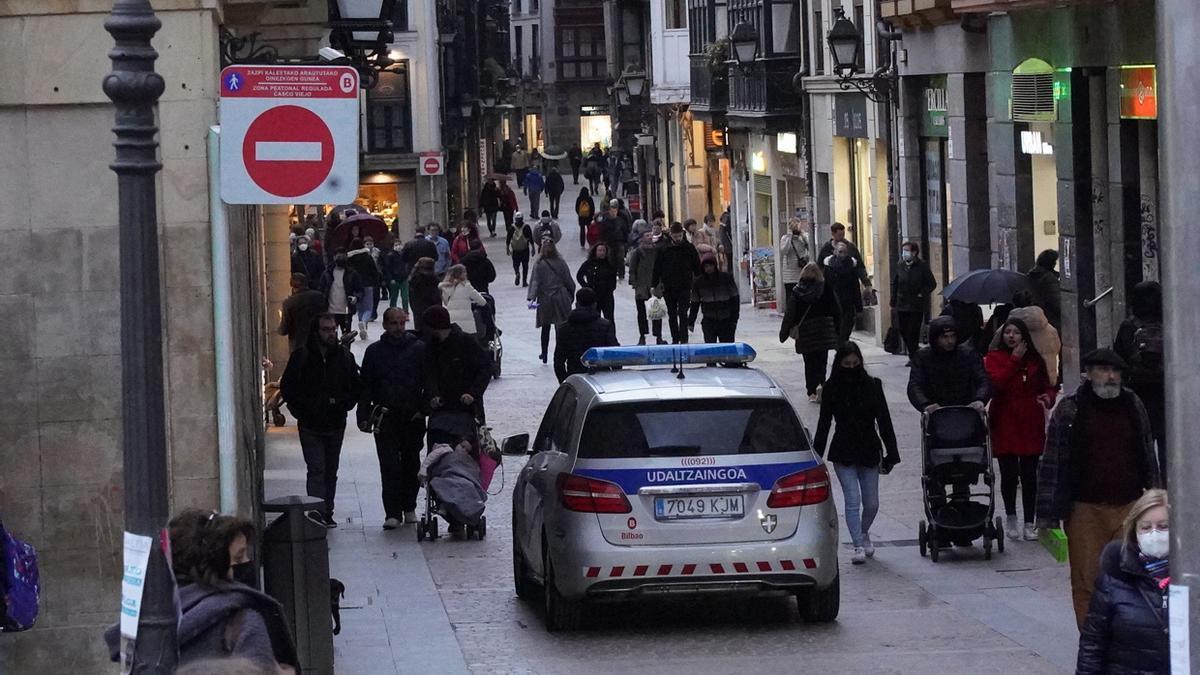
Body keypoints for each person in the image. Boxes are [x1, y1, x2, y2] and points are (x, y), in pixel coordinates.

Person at [1036, 348, 1160, 628]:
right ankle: (1092, 639)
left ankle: (1123, 637)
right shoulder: (1070, 409)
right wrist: (1045, 516)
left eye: (1116, 371)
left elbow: (1146, 451)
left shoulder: (1132, 404)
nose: (1111, 376)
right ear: (1089, 374)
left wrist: (1155, 499)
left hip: (1129, 505)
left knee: (1130, 575)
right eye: (1104, 370)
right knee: (1087, 579)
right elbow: (1052, 461)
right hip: (1084, 508)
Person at [104, 510, 299, 671]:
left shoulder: (139, 632)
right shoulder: (243, 622)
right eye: (238, 559)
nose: (247, 565)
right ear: (213, 567)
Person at [813, 342, 900, 565]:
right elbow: (824, 424)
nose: (851, 368)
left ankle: (862, 532)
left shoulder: (872, 385)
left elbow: (884, 420)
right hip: (843, 450)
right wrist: (816, 455)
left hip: (869, 448)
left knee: (871, 503)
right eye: (846, 364)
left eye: (855, 363)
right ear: (839, 364)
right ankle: (858, 544)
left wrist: (892, 453)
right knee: (853, 500)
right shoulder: (832, 387)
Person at [280, 314, 362, 527]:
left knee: (330, 470)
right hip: (310, 424)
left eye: (333, 329)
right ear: (316, 332)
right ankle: (317, 511)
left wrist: (344, 404)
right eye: (326, 329)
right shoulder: (302, 357)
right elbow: (289, 386)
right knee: (316, 468)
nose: (331, 334)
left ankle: (327, 510)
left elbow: (355, 385)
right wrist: (301, 409)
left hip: (335, 423)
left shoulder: (344, 357)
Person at [1076, 489, 1170, 674]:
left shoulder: (1191, 577)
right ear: (1135, 531)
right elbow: (1093, 645)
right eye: (1146, 527)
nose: (1154, 533)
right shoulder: (1114, 575)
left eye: (1163, 526)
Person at [984, 318, 1056, 541]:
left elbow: (1050, 386)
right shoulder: (994, 359)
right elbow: (996, 384)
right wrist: (1014, 360)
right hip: (1005, 421)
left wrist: (1049, 398)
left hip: (1030, 421)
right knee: (1008, 474)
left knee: (1029, 475)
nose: (1011, 336)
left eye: (1016, 332)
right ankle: (1011, 517)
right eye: (1008, 332)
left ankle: (1029, 522)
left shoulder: (1036, 360)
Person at [357, 308, 427, 529]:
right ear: (386, 325)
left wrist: (423, 409)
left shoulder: (418, 349)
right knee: (389, 465)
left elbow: (428, 381)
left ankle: (409, 506)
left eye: (401, 323)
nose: (398, 328)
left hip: (412, 416)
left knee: (411, 463)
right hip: (385, 416)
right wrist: (364, 414)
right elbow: (366, 385)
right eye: (394, 323)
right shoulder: (374, 352)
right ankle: (392, 512)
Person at [1113, 281, 1165, 473]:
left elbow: (1119, 359)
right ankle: (1171, 489)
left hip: (1138, 393)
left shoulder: (1129, 326)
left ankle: (1149, 486)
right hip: (1165, 392)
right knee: (1168, 443)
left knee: (1143, 443)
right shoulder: (1170, 322)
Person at [779, 263, 842, 401]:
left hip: (806, 333)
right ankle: (821, 384)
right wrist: (837, 330)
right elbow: (836, 310)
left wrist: (783, 333)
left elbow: (790, 313)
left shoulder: (797, 291)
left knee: (809, 362)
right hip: (823, 330)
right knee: (822, 361)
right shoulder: (826, 289)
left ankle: (811, 391)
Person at [906, 315, 991, 414]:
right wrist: (925, 404)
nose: (950, 341)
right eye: (944, 337)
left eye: (952, 336)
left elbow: (983, 380)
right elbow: (915, 385)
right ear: (935, 339)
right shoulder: (923, 357)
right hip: (936, 412)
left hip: (967, 409)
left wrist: (979, 399)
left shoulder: (968, 354)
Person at [422, 305, 491, 423]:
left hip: (468, 408)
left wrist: (473, 393)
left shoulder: (466, 342)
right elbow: (429, 375)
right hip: (442, 410)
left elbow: (485, 368)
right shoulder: (430, 347)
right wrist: (433, 395)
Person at [553, 288, 619, 382]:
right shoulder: (605, 326)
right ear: (595, 305)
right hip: (602, 378)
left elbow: (558, 361)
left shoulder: (564, 328)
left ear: (577, 304)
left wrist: (565, 382)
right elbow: (615, 354)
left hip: (576, 377)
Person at [527, 240, 576, 363]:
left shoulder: (539, 264)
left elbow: (535, 282)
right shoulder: (560, 262)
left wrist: (531, 298)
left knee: (545, 327)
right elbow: (568, 280)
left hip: (545, 299)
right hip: (560, 296)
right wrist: (571, 295)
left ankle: (544, 353)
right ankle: (561, 352)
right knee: (560, 327)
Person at [653, 222, 702, 344]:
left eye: (679, 236)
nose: (678, 238)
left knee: (683, 312)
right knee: (672, 313)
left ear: (682, 234)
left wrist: (699, 281)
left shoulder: (689, 248)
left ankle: (684, 339)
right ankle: (675, 338)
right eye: (675, 236)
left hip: (685, 285)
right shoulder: (663, 248)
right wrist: (654, 284)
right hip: (669, 286)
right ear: (671, 235)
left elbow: (697, 266)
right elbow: (657, 267)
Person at [891, 241, 937, 361]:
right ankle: (914, 352)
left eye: (907, 250)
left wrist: (922, 293)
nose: (905, 253)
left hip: (916, 304)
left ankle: (913, 356)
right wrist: (893, 301)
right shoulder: (900, 265)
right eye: (904, 250)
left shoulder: (922, 266)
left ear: (914, 252)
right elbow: (895, 283)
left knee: (913, 331)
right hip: (902, 303)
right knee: (903, 329)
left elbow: (932, 283)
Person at [1003, 295, 1061, 385]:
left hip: (1016, 381)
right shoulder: (1050, 329)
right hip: (1048, 379)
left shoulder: (1006, 329)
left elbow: (993, 347)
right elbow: (1057, 348)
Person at [688, 253, 740, 344]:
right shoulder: (698, 283)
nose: (708, 268)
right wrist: (691, 322)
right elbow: (695, 304)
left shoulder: (726, 278)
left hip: (726, 320)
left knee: (727, 349)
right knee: (710, 349)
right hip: (709, 320)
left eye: (710, 265)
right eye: (706, 266)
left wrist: (734, 319)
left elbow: (735, 299)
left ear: (715, 266)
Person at [822, 241, 864, 345]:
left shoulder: (851, 266)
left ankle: (842, 345)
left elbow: (856, 287)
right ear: (835, 252)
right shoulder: (829, 267)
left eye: (845, 252)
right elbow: (825, 286)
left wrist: (859, 308)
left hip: (848, 302)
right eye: (840, 252)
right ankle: (841, 347)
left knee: (847, 327)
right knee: (837, 328)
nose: (843, 254)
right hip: (833, 303)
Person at [628, 231, 664, 345]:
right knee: (641, 313)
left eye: (650, 235)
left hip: (655, 285)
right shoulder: (637, 252)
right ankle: (642, 335)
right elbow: (632, 269)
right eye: (647, 235)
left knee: (657, 312)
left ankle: (658, 336)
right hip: (641, 285)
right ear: (642, 238)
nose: (649, 237)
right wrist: (634, 283)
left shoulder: (657, 251)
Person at [279, 273, 326, 355]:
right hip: (318, 341)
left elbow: (284, 329)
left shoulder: (289, 303)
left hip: (298, 343)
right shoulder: (319, 296)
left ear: (292, 287)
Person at [318, 252, 362, 339]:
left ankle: (345, 351)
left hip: (346, 310)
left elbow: (359, 289)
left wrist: (356, 297)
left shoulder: (352, 273)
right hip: (330, 310)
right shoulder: (328, 273)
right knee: (331, 335)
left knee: (347, 335)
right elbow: (321, 288)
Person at [347, 238, 381, 340]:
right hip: (368, 284)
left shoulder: (349, 258)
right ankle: (364, 322)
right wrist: (376, 282)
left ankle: (362, 325)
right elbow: (374, 271)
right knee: (368, 308)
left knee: (359, 307)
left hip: (355, 286)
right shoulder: (367, 256)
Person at [576, 242, 618, 324]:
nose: (601, 252)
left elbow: (613, 279)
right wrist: (586, 287)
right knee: (594, 318)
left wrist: (610, 289)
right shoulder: (589, 263)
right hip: (593, 296)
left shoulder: (610, 264)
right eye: (599, 250)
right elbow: (579, 276)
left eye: (603, 251)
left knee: (609, 318)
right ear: (595, 252)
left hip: (607, 296)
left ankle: (610, 336)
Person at [439, 264, 488, 335]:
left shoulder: (445, 287)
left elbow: (445, 303)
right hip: (466, 323)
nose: (466, 274)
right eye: (464, 272)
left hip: (451, 320)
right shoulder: (466, 286)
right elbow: (482, 302)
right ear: (460, 274)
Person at [1026, 249, 1062, 331]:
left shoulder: (1031, 276)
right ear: (1051, 263)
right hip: (1051, 319)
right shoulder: (1049, 279)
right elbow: (1056, 301)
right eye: (1054, 261)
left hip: (1035, 316)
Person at [778, 218, 810, 305]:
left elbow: (810, 249)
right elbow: (784, 251)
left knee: (802, 298)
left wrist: (803, 237)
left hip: (802, 272)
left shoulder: (804, 236)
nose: (796, 230)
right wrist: (790, 237)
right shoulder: (785, 238)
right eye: (794, 227)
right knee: (790, 298)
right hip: (789, 274)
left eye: (797, 227)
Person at [407, 257, 441, 333]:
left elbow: (411, 297)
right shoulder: (433, 279)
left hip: (417, 310)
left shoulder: (413, 279)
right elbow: (436, 297)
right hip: (432, 310)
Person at [599, 199, 630, 278]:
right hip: (609, 243)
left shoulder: (620, 221)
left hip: (619, 242)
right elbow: (602, 232)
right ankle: (612, 273)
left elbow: (625, 231)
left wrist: (626, 242)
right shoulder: (606, 221)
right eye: (612, 211)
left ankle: (621, 274)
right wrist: (603, 242)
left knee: (620, 259)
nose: (613, 213)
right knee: (611, 258)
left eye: (614, 211)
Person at [381, 236, 411, 312]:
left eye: (399, 244)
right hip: (394, 279)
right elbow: (387, 268)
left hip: (403, 278)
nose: (398, 246)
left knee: (405, 297)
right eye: (396, 245)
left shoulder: (404, 254)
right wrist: (390, 278)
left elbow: (407, 264)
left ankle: (405, 311)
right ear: (393, 246)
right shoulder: (390, 255)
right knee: (394, 297)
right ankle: (392, 311)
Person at [509, 214, 534, 287]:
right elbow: (531, 238)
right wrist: (533, 248)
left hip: (515, 250)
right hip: (525, 249)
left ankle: (517, 273)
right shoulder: (526, 227)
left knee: (515, 263)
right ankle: (524, 281)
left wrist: (507, 248)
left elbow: (508, 238)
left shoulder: (512, 227)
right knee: (525, 265)